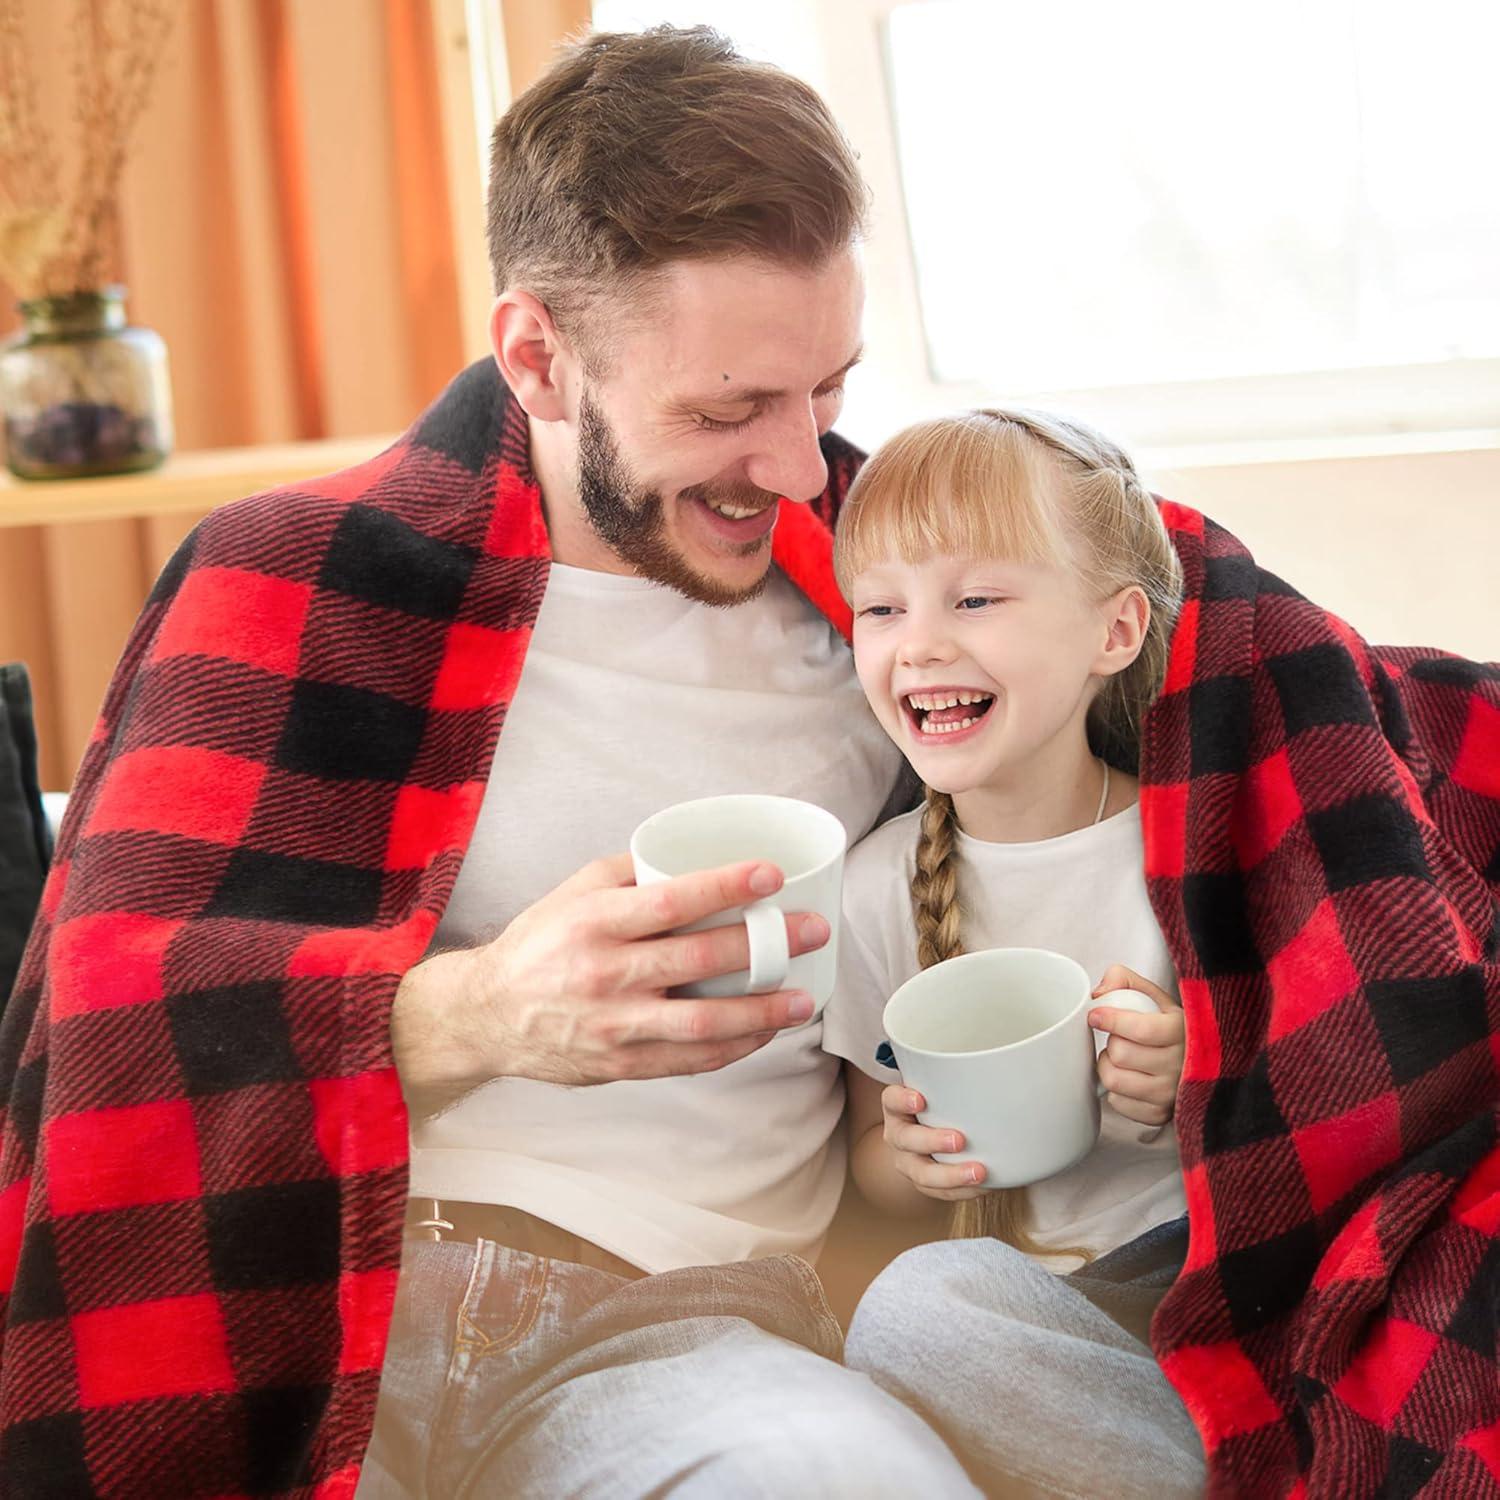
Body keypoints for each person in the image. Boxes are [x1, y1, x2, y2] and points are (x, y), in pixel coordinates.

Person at [821, 408, 1205, 1497]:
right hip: (1023, 1321)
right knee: (915, 1308)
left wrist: (1194, 1080)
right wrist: (905, 1163)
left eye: (976, 598)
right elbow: (869, 1170)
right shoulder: (872, 892)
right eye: (880, 608)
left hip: (1197, 1283)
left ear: (1114, 632)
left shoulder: (1189, 848)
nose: (920, 643)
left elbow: (1324, 1115)